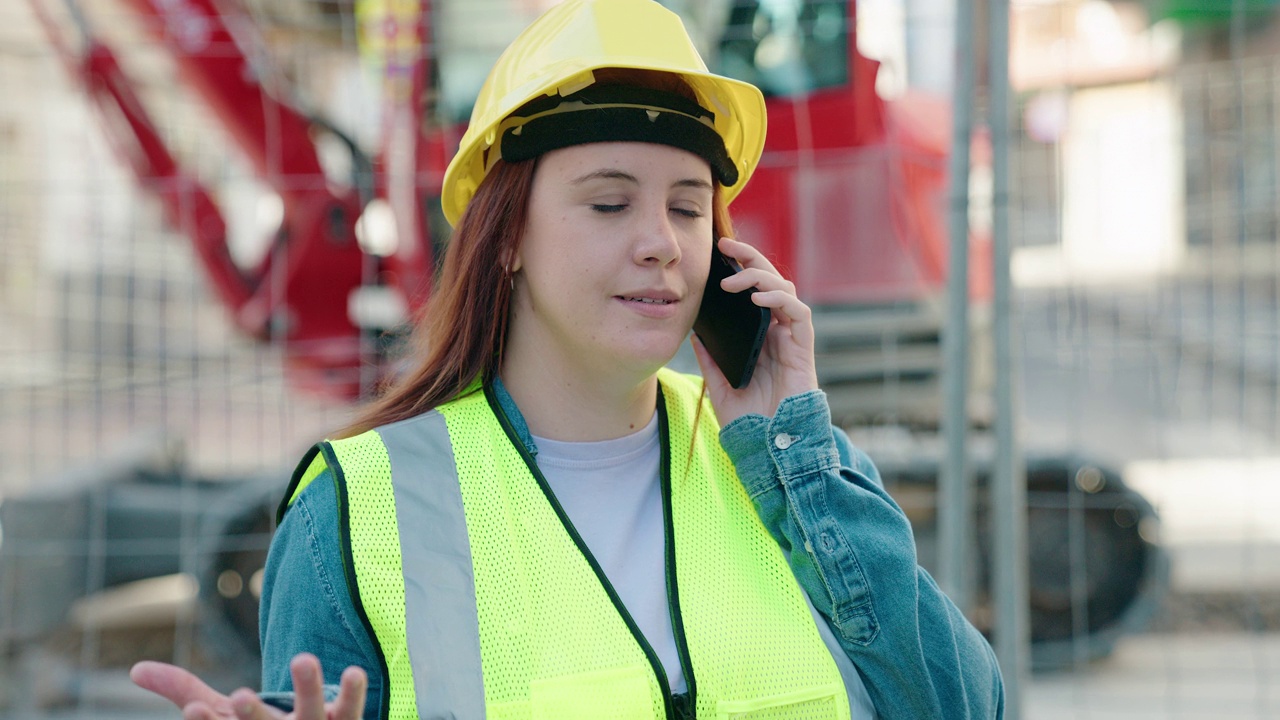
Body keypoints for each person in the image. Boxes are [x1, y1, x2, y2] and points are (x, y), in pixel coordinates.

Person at [131, 0, 1004, 718]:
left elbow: (965, 707)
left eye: (689, 208)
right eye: (610, 203)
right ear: (506, 236)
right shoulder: (360, 511)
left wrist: (798, 461)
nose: (661, 243)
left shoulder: (790, 469)